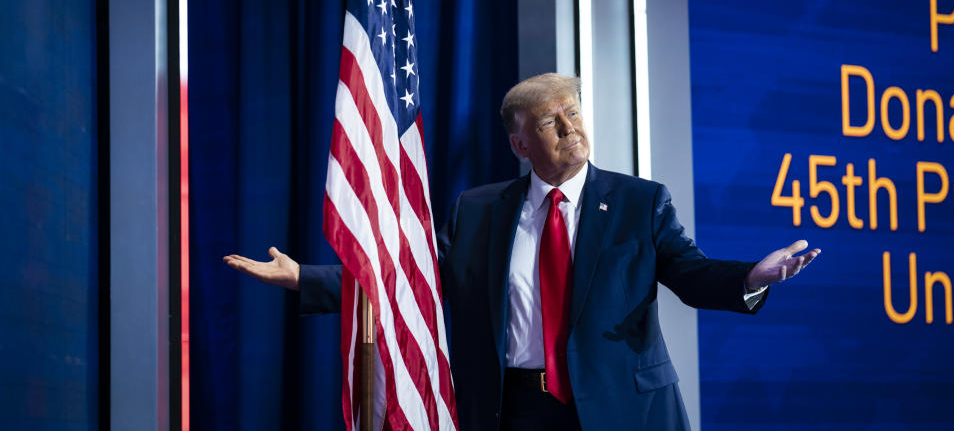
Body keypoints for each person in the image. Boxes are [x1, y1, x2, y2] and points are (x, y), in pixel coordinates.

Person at [224, 73, 819, 431]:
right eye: (551, 122)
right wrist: (307, 277)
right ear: (520, 143)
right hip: (516, 412)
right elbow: (414, 279)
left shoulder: (640, 202)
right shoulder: (479, 210)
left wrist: (753, 275)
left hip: (621, 409)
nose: (571, 128)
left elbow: (690, 274)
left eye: (574, 113)